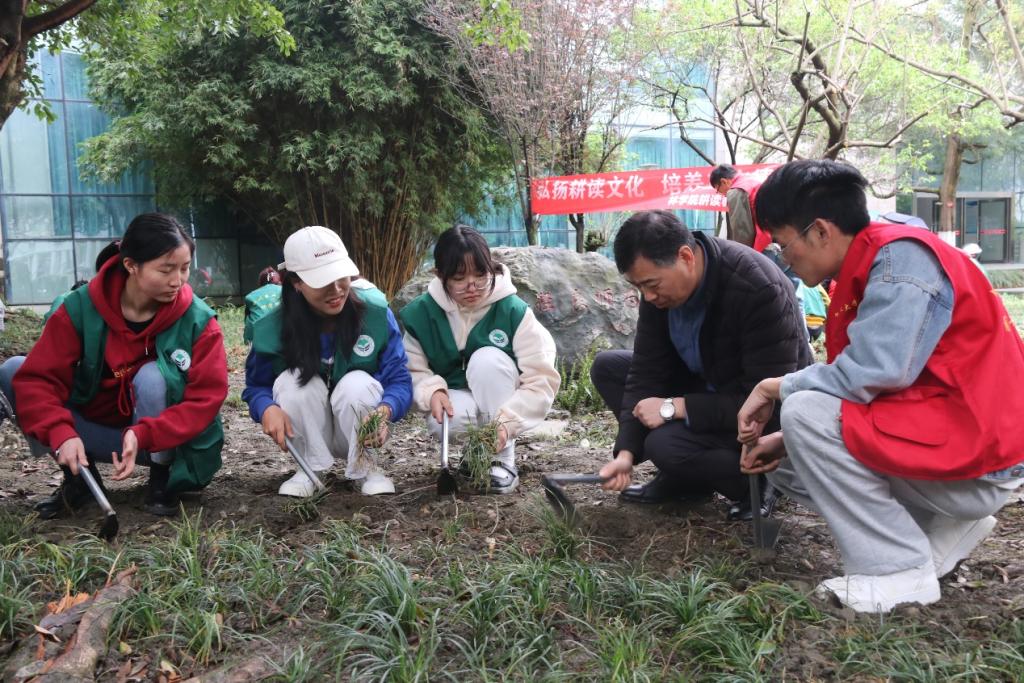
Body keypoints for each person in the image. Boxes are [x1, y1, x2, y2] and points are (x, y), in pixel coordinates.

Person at [737, 160, 1024, 613]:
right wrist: (789, 441)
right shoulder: (874, 257)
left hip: (982, 460)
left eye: (783, 243)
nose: (784, 256)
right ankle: (943, 531)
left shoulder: (898, 260)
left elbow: (874, 372)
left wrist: (775, 387)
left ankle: (897, 571)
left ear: (821, 231)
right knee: (789, 453)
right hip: (956, 436)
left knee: (803, 412)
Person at [0, 213, 228, 518]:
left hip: (156, 439)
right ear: (131, 265)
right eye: (166, 269)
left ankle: (161, 480)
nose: (178, 280)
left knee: (153, 377)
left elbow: (206, 399)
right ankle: (80, 479)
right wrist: (61, 432)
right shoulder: (79, 308)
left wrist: (144, 433)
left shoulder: (198, 321)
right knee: (14, 371)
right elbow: (39, 380)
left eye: (185, 268)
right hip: (91, 429)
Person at [592, 210, 811, 514]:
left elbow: (766, 403)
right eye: (639, 287)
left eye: (652, 284)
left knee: (664, 445)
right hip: (708, 383)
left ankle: (761, 482)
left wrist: (673, 407)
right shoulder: (660, 291)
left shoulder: (756, 287)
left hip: (759, 410)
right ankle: (686, 480)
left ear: (685, 257)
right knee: (608, 368)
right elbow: (647, 370)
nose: (649, 296)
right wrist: (626, 454)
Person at [242, 226, 412, 497]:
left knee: (357, 384)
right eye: (323, 281)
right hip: (307, 427)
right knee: (291, 382)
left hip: (356, 427)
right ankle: (309, 468)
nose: (336, 290)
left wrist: (386, 411)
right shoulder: (271, 328)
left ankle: (366, 466)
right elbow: (256, 387)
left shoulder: (375, 315)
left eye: (340, 277)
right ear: (296, 283)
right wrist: (266, 409)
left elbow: (399, 379)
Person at [400, 225, 560, 494]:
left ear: (492, 268)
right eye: (459, 278)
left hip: (502, 397)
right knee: (445, 423)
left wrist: (507, 423)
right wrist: (432, 391)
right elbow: (412, 369)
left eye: (480, 274)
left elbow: (541, 378)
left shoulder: (512, 310)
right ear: (440, 275)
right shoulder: (422, 313)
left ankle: (503, 459)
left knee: (487, 360)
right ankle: (476, 454)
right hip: (458, 395)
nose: (471, 286)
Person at [709, 164, 772, 252]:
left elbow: (742, 232)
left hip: (762, 247)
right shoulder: (752, 182)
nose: (722, 194)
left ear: (723, 182)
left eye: (717, 189)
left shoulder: (736, 191)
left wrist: (741, 256)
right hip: (776, 240)